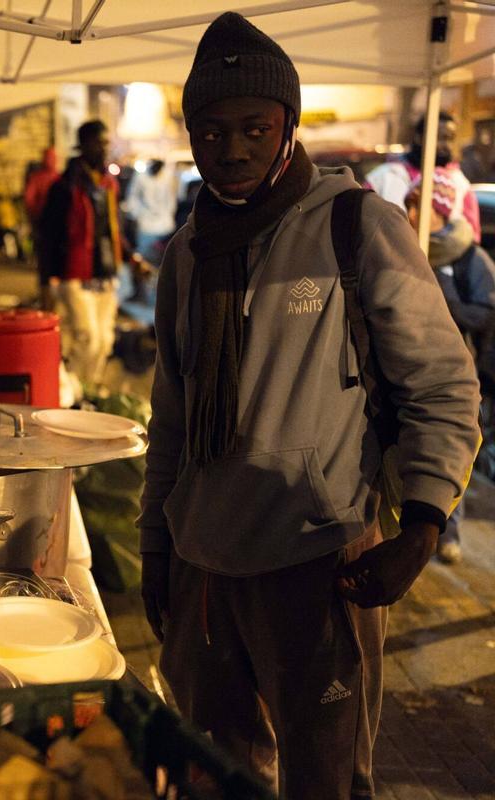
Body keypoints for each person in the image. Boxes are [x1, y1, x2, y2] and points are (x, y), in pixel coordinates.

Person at [138, 14, 479, 799]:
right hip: (203, 569)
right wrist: (158, 540)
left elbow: (442, 382)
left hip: (320, 561)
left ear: (287, 125)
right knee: (215, 776)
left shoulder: (353, 225)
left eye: (254, 127)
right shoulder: (188, 252)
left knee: (324, 782)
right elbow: (174, 416)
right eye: (211, 131)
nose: (232, 149)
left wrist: (423, 525)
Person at [405, 170, 495, 564]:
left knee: (447, 454)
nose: (410, 213)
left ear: (439, 212)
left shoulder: (468, 258)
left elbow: (484, 314)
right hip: (408, 365)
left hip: (456, 369)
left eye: (418, 206)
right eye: (408, 204)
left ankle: (447, 533)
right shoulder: (404, 248)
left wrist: (446, 300)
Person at [37, 119, 126, 389]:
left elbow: (113, 229)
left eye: (106, 142)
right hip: (74, 273)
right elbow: (48, 236)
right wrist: (45, 282)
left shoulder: (107, 184)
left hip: (105, 274)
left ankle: (90, 389)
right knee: (88, 337)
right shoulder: (65, 187)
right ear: (84, 145)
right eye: (98, 142)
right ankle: (76, 389)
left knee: (105, 342)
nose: (104, 148)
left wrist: (131, 258)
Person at [364, 111, 482, 245]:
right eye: (440, 137)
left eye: (450, 138)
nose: (446, 146)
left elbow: (473, 239)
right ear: (419, 138)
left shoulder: (460, 185)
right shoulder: (383, 178)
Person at [123, 159, 176, 265]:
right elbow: (132, 196)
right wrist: (138, 214)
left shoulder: (167, 177)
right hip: (146, 225)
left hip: (165, 225)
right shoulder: (141, 177)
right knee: (145, 258)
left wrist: (169, 214)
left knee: (164, 258)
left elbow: (171, 198)